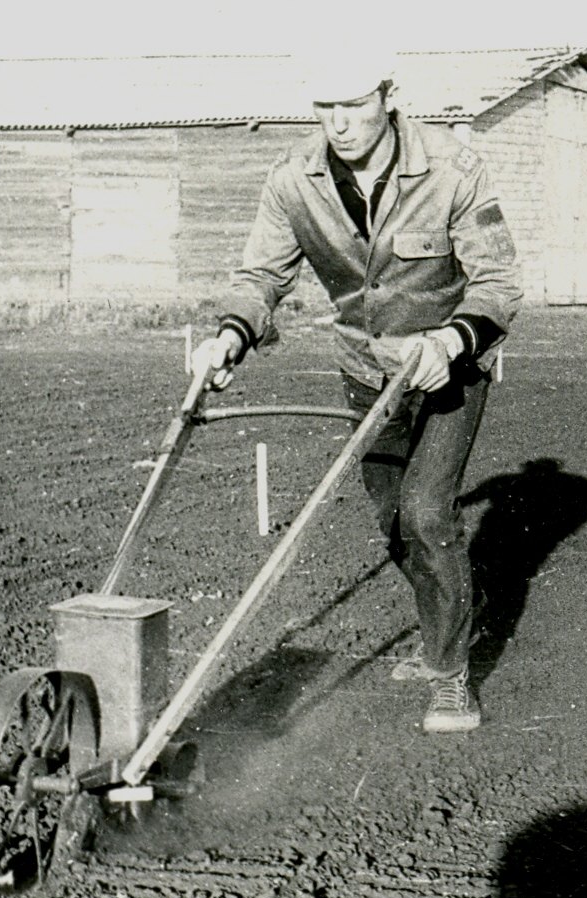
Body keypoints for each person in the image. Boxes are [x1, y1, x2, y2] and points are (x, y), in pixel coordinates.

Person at [191, 50, 521, 733]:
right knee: (394, 522)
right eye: (325, 108)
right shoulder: (294, 180)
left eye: (353, 105)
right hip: (364, 370)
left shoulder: (452, 169)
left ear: (388, 95)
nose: (338, 123)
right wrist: (229, 335)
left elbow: (499, 284)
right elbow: (262, 276)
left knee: (429, 511)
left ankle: (451, 672)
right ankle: (446, 622)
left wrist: (451, 340)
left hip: (448, 367)